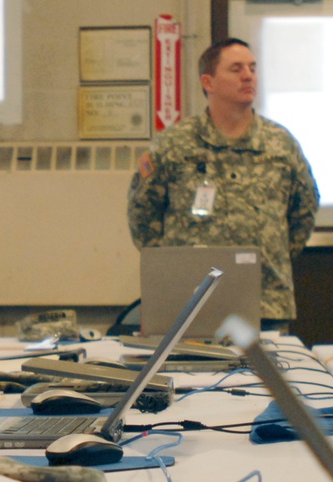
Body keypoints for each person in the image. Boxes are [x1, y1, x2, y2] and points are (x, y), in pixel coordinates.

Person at [127, 38, 319, 329]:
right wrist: (174, 269)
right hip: (189, 301)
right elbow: (142, 213)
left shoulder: (280, 144)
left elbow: (304, 210)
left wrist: (269, 252)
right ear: (209, 82)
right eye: (236, 69)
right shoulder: (175, 144)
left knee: (264, 375)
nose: (248, 76)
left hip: (264, 302)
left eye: (252, 68)